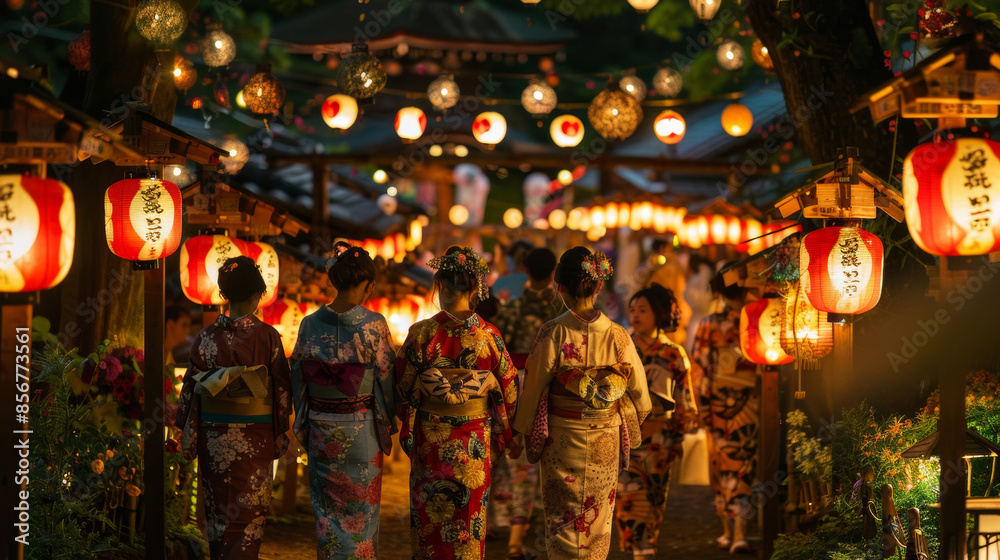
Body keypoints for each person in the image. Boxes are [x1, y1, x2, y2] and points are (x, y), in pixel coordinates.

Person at [512, 247, 651, 560]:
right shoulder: (618, 335)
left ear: (560, 287)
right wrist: (621, 411)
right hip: (605, 436)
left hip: (563, 436)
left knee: (564, 518)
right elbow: (641, 395)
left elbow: (532, 390)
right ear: (599, 286)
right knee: (598, 521)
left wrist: (519, 433)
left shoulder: (553, 332)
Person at [395, 246, 521, 560]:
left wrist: (411, 411)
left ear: (440, 285)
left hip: (432, 441)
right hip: (474, 444)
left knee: (430, 521)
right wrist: (506, 432)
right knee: (468, 523)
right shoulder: (489, 336)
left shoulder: (422, 334)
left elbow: (400, 387)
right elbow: (509, 389)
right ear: (476, 288)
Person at [176, 256, 292, 560]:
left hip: (214, 439)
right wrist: (281, 432)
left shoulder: (205, 338)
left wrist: (184, 431)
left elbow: (191, 390)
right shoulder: (268, 337)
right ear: (256, 293)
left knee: (218, 518)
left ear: (224, 294)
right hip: (255, 438)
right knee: (248, 518)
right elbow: (281, 389)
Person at [290, 242, 396, 560]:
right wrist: (390, 416)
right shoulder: (374, 324)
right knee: (362, 509)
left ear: (332, 280)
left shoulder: (310, 323)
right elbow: (387, 379)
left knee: (327, 510)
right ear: (368, 284)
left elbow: (298, 377)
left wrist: (302, 419)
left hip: (323, 431)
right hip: (362, 429)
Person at [490, 247, 563, 559]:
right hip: (546, 387)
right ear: (553, 272)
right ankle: (524, 529)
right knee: (535, 456)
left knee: (503, 450)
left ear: (525, 269)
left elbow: (498, 348)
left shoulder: (512, 308)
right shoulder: (560, 309)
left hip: (509, 384)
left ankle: (494, 518)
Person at [615, 284, 696, 560]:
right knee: (627, 492)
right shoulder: (620, 349)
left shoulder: (673, 353)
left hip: (660, 439)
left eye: (643, 310)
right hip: (624, 435)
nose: (635, 315)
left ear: (658, 314)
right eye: (632, 310)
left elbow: (684, 398)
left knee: (655, 496)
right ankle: (641, 546)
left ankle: (646, 541)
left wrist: (679, 435)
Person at [690, 277, 757, 555]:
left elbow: (698, 369)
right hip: (746, 405)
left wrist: (701, 408)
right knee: (739, 467)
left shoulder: (709, 323)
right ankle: (735, 530)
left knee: (724, 467)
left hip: (719, 405)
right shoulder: (753, 319)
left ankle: (732, 530)